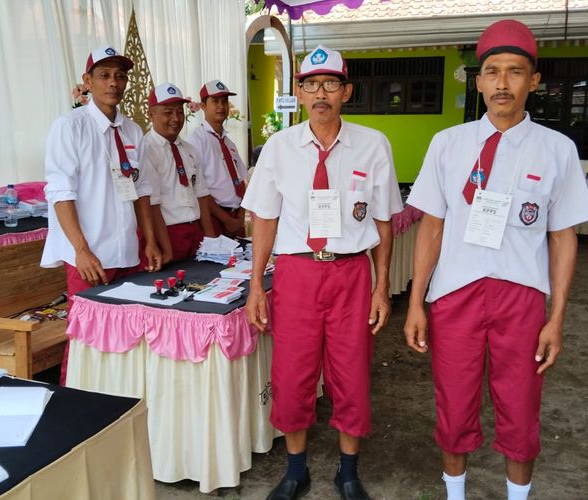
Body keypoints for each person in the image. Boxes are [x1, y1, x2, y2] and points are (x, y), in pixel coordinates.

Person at [403, 20, 588, 500]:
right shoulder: (448, 145)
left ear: (534, 80)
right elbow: (431, 227)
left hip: (522, 297)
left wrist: (557, 317)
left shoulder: (557, 150)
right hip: (455, 294)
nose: (502, 83)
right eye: (492, 71)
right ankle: (455, 495)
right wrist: (415, 302)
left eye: (515, 72)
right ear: (479, 80)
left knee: (521, 405)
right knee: (454, 404)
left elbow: (563, 237)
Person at [243, 45, 403, 500]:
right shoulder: (279, 148)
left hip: (352, 275)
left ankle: (347, 471)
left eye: (330, 83)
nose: (320, 93)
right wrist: (257, 283)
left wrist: (383, 285)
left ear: (346, 91)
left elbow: (384, 220)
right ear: (298, 92)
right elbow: (264, 219)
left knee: (351, 373)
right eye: (311, 84)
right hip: (296, 275)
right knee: (293, 373)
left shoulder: (372, 145)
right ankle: (296, 470)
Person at [41, 46, 163, 384]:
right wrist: (81, 249)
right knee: (86, 338)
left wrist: (149, 242)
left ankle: (119, 400)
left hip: (127, 250)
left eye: (120, 76)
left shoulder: (133, 130)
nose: (114, 83)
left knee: (128, 335)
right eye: (105, 75)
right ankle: (75, 400)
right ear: (88, 81)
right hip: (90, 254)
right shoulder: (70, 127)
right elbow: (60, 193)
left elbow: (142, 190)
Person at [142, 83, 215, 262]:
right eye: (168, 112)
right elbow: (153, 204)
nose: (176, 118)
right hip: (167, 234)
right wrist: (166, 248)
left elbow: (201, 195)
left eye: (180, 112)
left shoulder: (189, 149)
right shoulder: (146, 150)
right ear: (151, 114)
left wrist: (211, 241)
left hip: (195, 231)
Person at [187, 80, 248, 238]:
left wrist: (241, 216)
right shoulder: (196, 140)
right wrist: (226, 219)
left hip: (236, 217)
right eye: (215, 101)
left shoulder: (229, 142)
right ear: (203, 106)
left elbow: (242, 180)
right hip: (215, 218)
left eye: (224, 101)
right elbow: (198, 189)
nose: (221, 106)